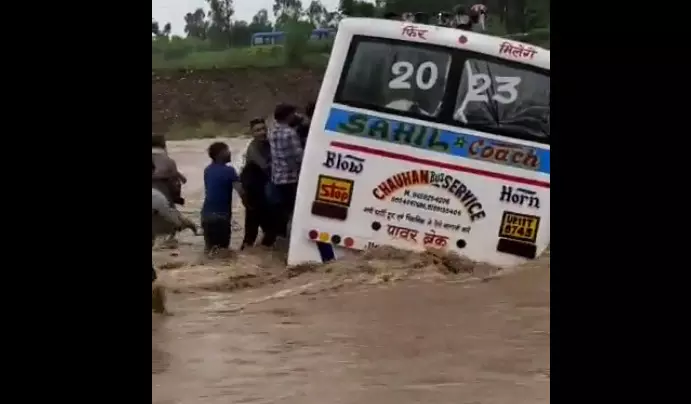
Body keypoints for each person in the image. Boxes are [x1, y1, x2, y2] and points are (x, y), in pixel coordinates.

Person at [152, 160, 197, 313]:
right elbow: (173, 218)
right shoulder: (156, 196)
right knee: (154, 283)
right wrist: (189, 224)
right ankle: (160, 315)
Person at [201, 141, 247, 254]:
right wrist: (249, 205)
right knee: (223, 252)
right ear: (220, 154)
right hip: (221, 217)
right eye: (227, 151)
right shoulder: (229, 171)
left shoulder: (207, 170)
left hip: (206, 215)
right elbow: (241, 191)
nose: (230, 153)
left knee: (210, 251)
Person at [240, 118, 278, 249]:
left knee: (270, 233)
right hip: (254, 197)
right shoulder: (253, 149)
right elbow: (266, 168)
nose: (262, 132)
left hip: (265, 195)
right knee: (252, 234)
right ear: (252, 133)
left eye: (264, 129)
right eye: (258, 130)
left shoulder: (269, 144)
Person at [268, 104, 304, 236]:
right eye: (293, 114)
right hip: (291, 178)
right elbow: (299, 156)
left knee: (282, 212)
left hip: (277, 178)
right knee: (292, 212)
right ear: (288, 116)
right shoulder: (290, 133)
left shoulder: (272, 131)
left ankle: (281, 238)